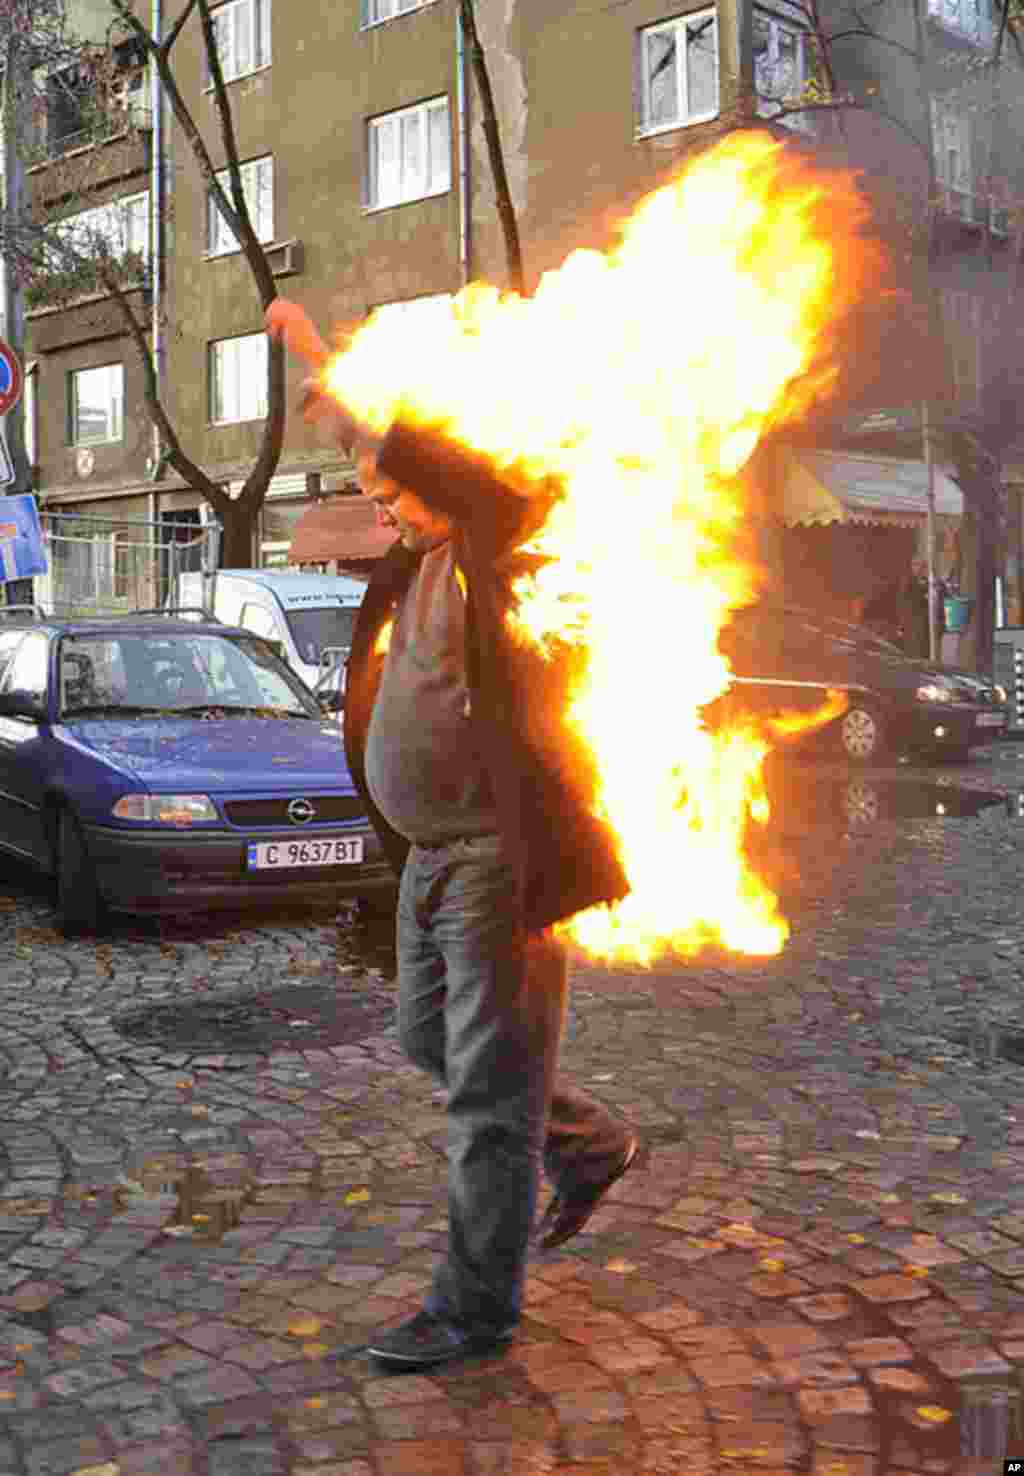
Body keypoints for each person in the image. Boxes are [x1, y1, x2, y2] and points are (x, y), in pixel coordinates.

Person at [267, 300, 641, 1370]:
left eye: (393, 492)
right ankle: (589, 1143)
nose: (380, 506)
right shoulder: (413, 564)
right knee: (426, 1040)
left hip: (494, 865)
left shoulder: (499, 547)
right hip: (427, 860)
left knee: (487, 1098)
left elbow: (436, 457)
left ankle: (474, 1312)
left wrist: (327, 365)